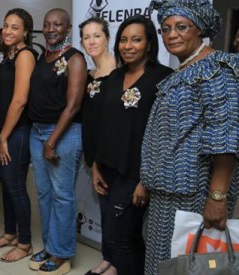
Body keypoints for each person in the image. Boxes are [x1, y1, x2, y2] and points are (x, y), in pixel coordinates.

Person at [142, 1, 239, 274]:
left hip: (193, 196)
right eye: (166, 29)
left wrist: (217, 197)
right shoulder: (184, 70)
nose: (172, 34)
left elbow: (226, 135)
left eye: (181, 27)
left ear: (199, 31)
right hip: (166, 193)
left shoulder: (216, 70)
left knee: (187, 267)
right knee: (164, 264)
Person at [92, 15, 173, 275]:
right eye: (124, 40)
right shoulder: (115, 77)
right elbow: (103, 125)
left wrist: (145, 181)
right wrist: (95, 166)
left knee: (119, 238)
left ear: (149, 43)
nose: (128, 46)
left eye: (136, 40)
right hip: (107, 169)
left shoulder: (163, 79)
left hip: (135, 174)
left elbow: (164, 136)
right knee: (125, 235)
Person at [27, 8, 87, 275]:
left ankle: (62, 253)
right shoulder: (44, 55)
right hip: (37, 131)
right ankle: (51, 245)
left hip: (62, 133)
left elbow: (73, 106)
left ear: (68, 27)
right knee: (44, 193)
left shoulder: (75, 59)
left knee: (62, 196)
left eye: (58, 25)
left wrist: (51, 141)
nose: (51, 29)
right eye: (47, 24)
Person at [0, 8, 37, 263]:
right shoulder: (8, 56)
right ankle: (10, 233)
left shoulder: (25, 56)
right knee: (6, 186)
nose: (8, 31)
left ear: (26, 32)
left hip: (16, 132)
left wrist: (4, 137)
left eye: (15, 27)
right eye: (6, 25)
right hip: (4, 131)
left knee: (16, 186)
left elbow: (19, 100)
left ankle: (25, 242)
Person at [78, 17, 116, 275]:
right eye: (86, 37)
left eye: (96, 36)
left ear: (107, 38)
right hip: (95, 156)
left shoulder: (118, 74)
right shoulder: (90, 75)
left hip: (114, 155)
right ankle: (107, 258)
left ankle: (118, 264)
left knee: (118, 214)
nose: (91, 41)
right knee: (105, 210)